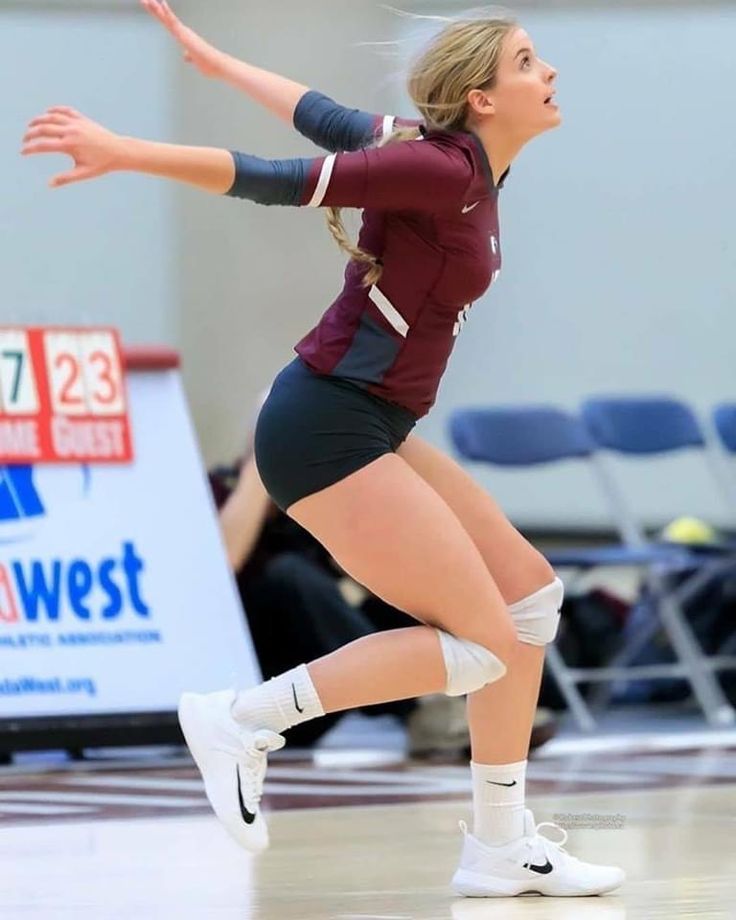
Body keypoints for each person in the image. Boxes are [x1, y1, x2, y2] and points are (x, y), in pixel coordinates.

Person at [21, 0, 624, 897]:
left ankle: (500, 845)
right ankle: (239, 717)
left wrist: (218, 63)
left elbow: (322, 115)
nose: (551, 73)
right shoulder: (435, 167)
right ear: (482, 98)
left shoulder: (460, 161)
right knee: (481, 643)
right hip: (324, 424)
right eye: (530, 61)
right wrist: (128, 152)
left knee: (530, 602)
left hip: (373, 419)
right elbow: (276, 175)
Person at [212, 394, 558, 755]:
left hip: (327, 668)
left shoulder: (325, 486)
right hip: (266, 658)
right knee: (292, 576)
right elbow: (225, 561)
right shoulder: (220, 488)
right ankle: (424, 711)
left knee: (414, 587)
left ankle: (483, 696)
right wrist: (260, 473)